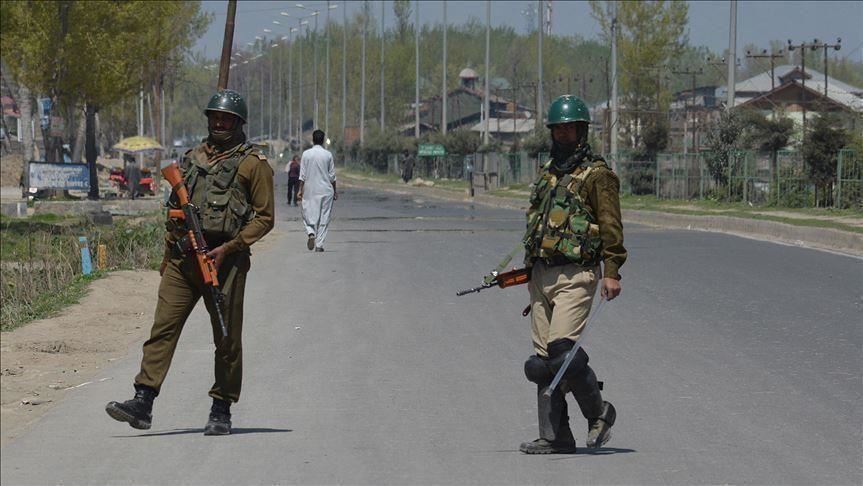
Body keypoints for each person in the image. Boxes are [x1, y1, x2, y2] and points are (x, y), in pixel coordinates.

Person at [105, 89, 274, 436]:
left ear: (239, 123)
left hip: (225, 263)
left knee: (226, 338)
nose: (220, 123)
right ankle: (143, 400)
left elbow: (265, 218)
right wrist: (169, 254)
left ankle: (221, 408)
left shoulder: (252, 164)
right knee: (162, 329)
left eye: (227, 118)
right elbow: (174, 210)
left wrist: (230, 247)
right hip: (184, 259)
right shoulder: (190, 159)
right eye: (215, 117)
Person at [519, 95, 626, 454]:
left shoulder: (598, 175)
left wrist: (612, 271)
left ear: (582, 131)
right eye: (558, 129)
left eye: (570, 128)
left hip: (576, 274)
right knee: (540, 365)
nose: (563, 134)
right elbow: (536, 226)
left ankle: (599, 413)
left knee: (563, 353)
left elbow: (611, 225)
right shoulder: (548, 173)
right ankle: (556, 436)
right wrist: (529, 273)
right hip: (541, 274)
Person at [298, 129, 337, 252]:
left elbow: (302, 175)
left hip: (310, 189)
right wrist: (335, 191)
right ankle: (319, 245)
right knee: (324, 217)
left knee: (307, 213)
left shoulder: (306, 154)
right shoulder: (328, 155)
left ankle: (310, 232)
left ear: (313, 140)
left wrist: (300, 190)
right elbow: (332, 176)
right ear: (323, 140)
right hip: (326, 190)